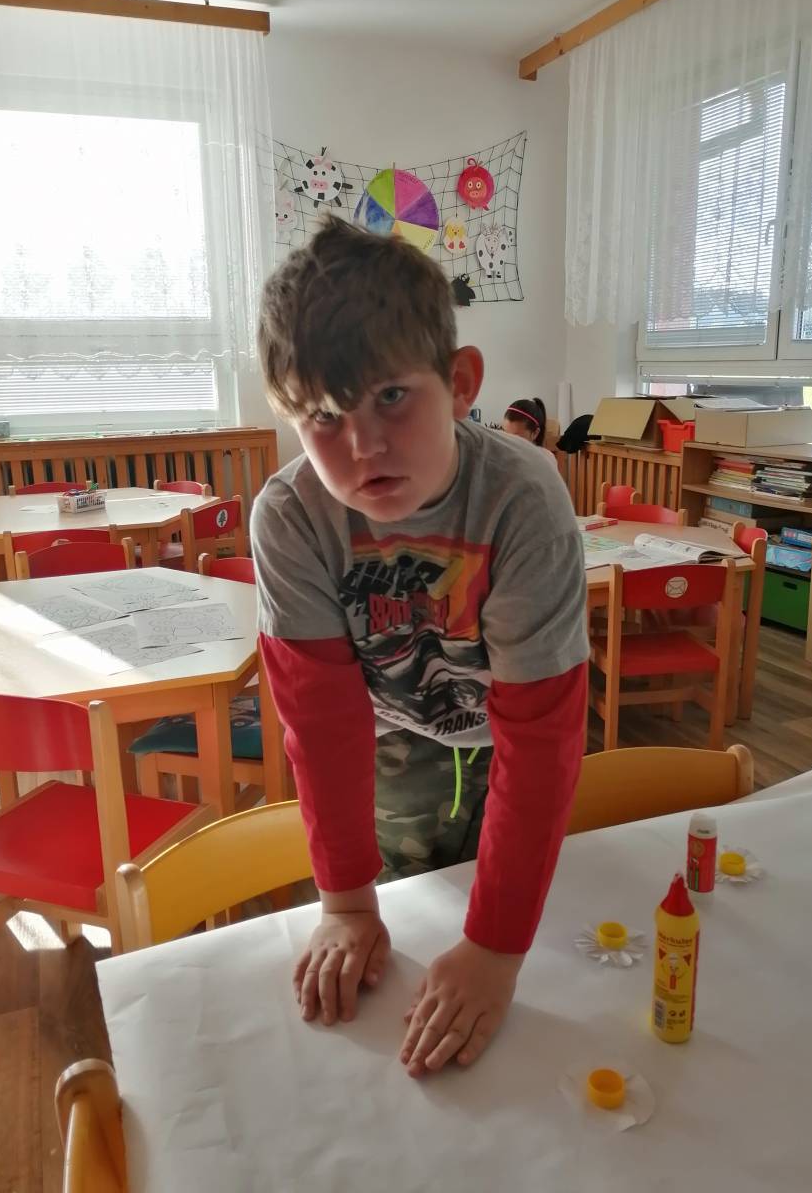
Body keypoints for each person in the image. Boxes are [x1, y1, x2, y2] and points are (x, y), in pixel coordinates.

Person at [252, 216, 587, 1079]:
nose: (364, 446)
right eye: (323, 416)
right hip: (394, 733)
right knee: (411, 912)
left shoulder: (522, 495)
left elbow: (541, 736)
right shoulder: (290, 518)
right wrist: (346, 903)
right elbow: (321, 724)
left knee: (541, 931)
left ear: (461, 382)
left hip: (511, 732)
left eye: (392, 398)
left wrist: (497, 949)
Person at [502, 398, 558, 468]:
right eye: (505, 434)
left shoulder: (546, 460)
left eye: (516, 438)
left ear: (535, 433)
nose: (508, 442)